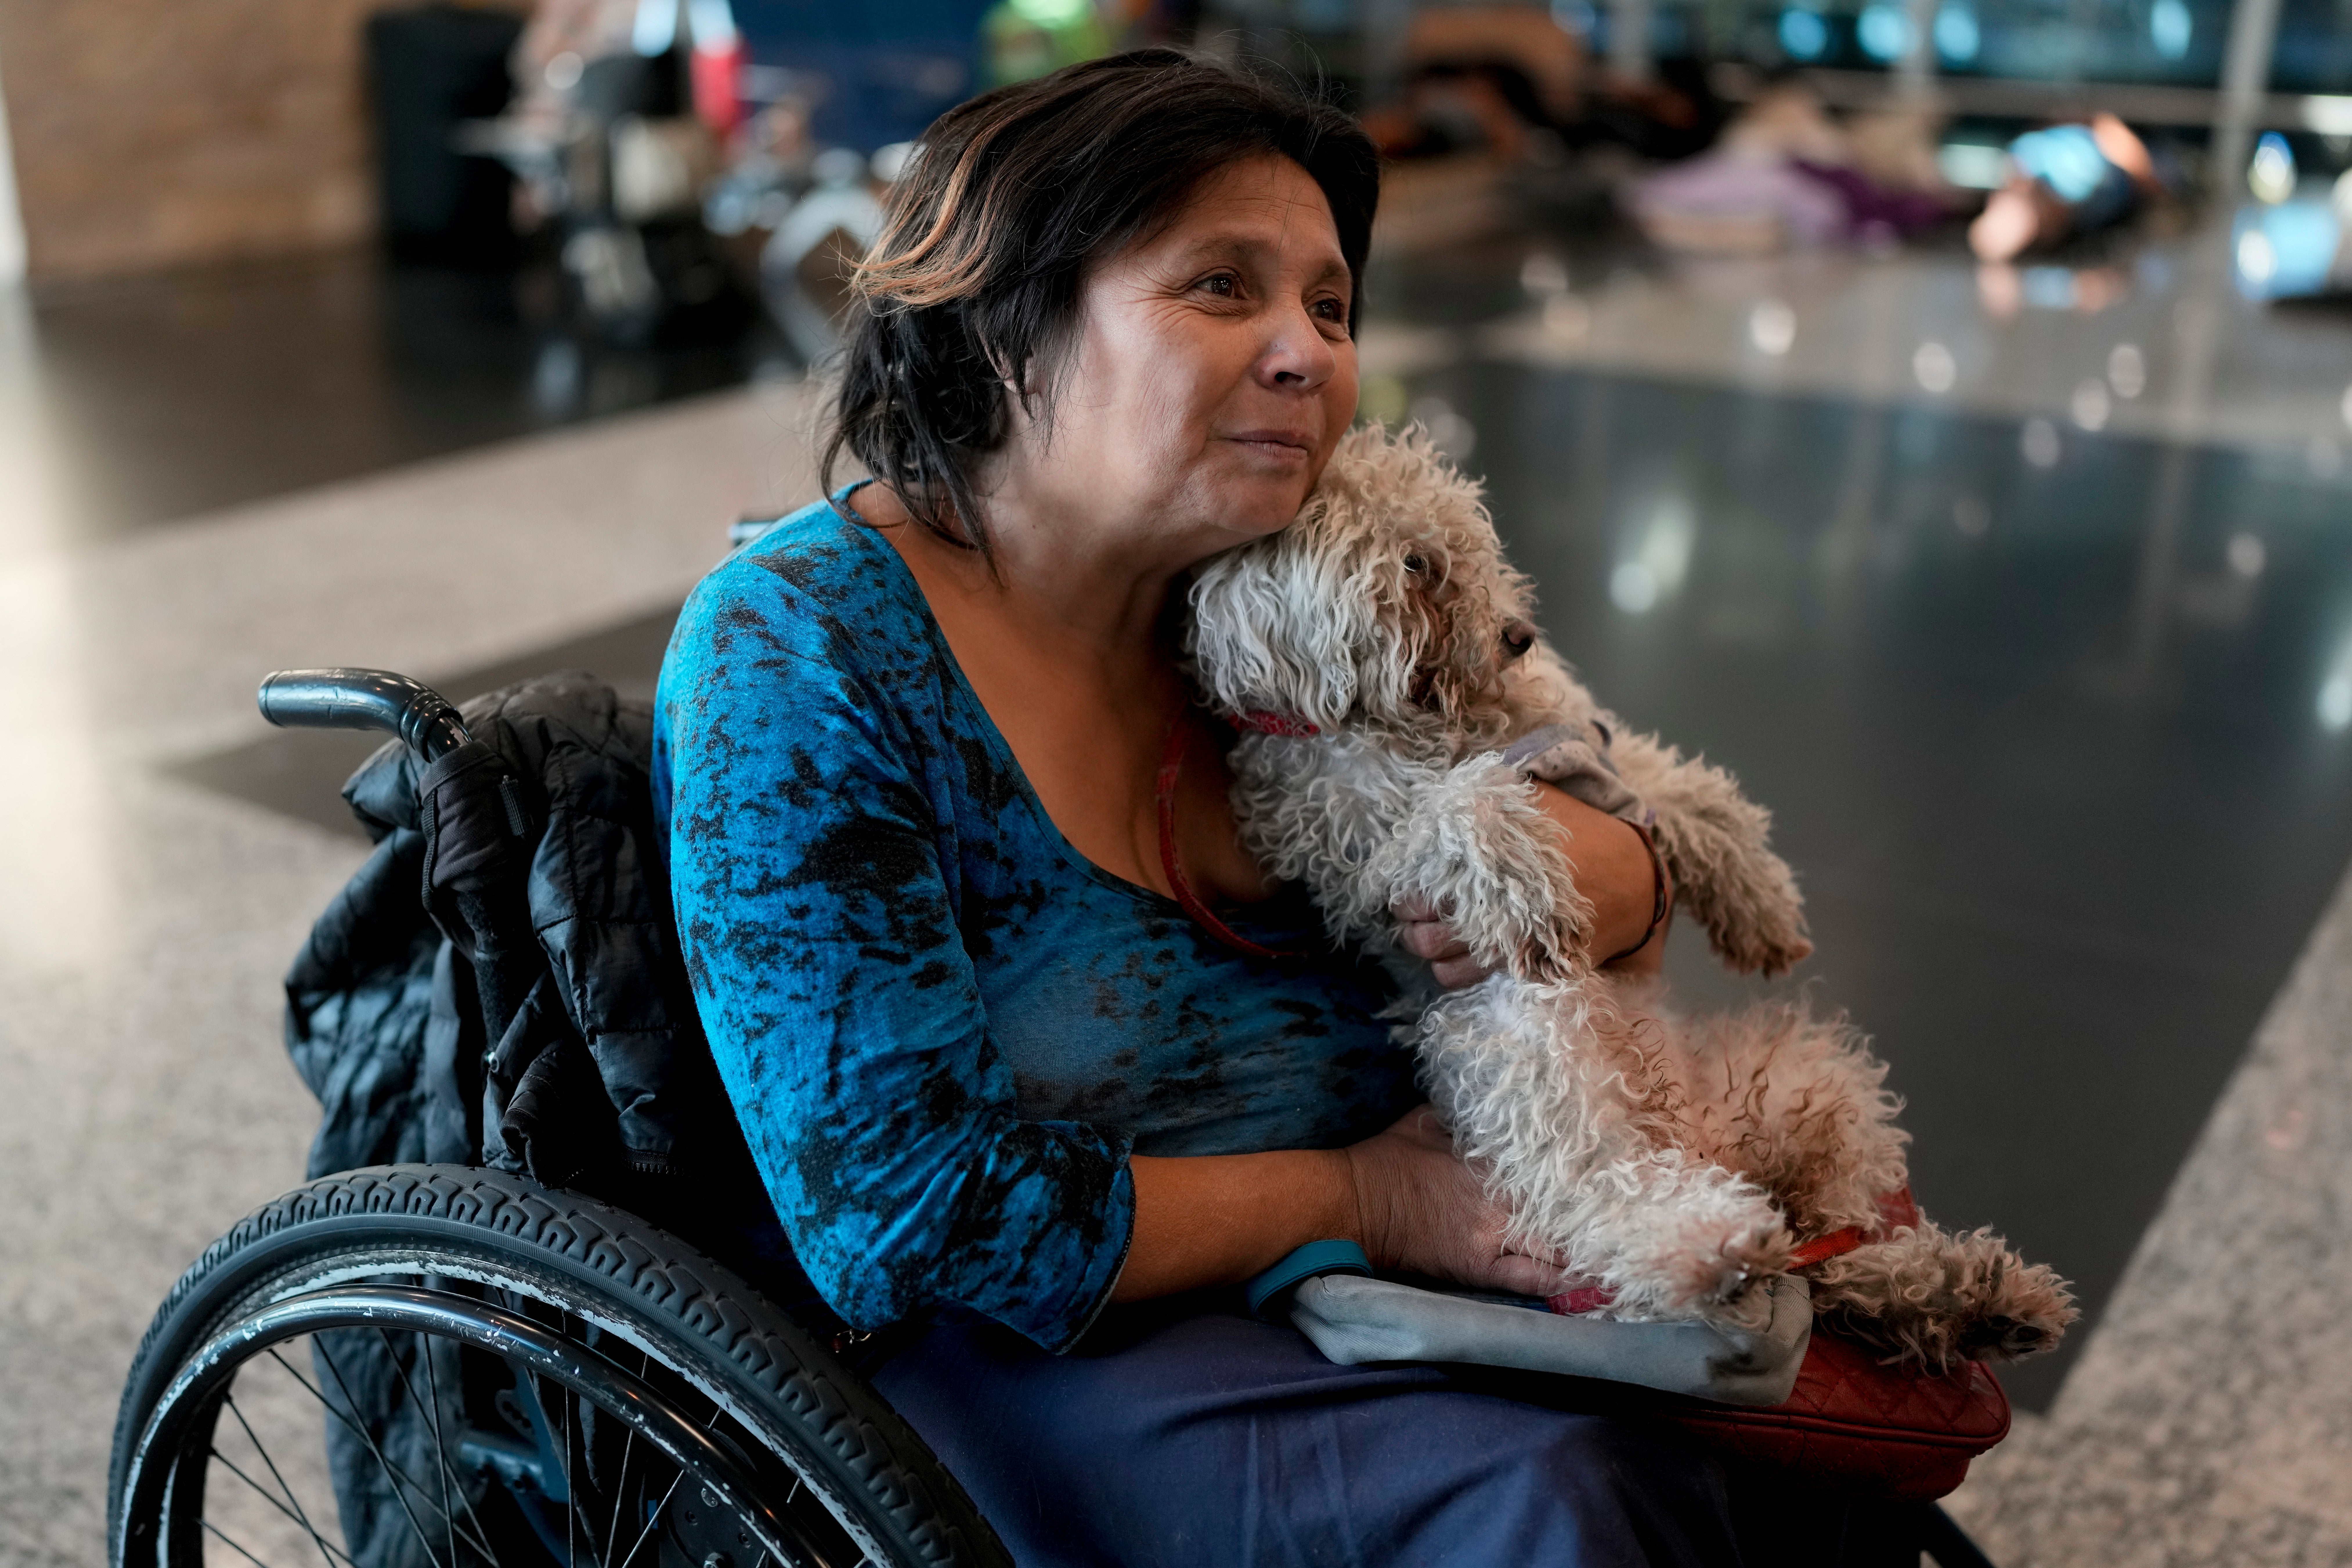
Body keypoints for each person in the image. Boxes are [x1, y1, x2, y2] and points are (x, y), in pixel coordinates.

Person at [655, 49, 1737, 1565]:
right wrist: (1376, 1199)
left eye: (1331, 306)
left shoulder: (1286, 583)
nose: (1307, 354)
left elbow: (1604, 777)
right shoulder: (804, 647)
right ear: (1006, 321)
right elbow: (909, 1226)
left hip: (1376, 1289)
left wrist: (1621, 874)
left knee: (1764, 1401)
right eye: (1222, 287)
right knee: (1562, 1494)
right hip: (1015, 1357)